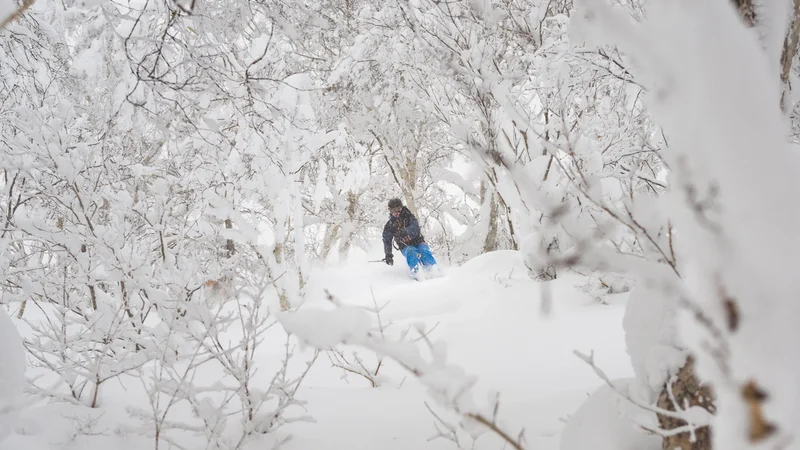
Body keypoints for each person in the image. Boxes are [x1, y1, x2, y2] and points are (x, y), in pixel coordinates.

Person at [382, 198, 439, 279]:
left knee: (424, 251)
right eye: (393, 210)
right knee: (411, 252)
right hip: (405, 246)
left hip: (418, 241)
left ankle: (433, 271)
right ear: (390, 210)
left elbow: (415, 228)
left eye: (398, 209)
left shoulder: (409, 217)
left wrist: (405, 232)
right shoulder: (390, 225)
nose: (396, 213)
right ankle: (417, 273)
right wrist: (388, 255)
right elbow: (387, 240)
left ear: (401, 208)